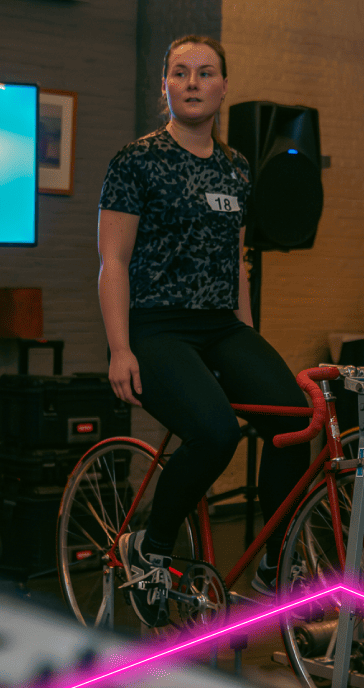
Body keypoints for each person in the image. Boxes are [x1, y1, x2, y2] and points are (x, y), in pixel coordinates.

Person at [97, 35, 309, 627]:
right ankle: (152, 544)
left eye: (205, 72)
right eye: (180, 73)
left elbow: (234, 259)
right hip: (155, 328)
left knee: (294, 422)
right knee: (215, 434)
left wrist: (248, 340)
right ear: (163, 85)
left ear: (222, 87)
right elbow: (113, 261)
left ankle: (277, 563)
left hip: (220, 325)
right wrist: (119, 349)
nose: (193, 82)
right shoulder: (135, 161)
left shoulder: (238, 167)